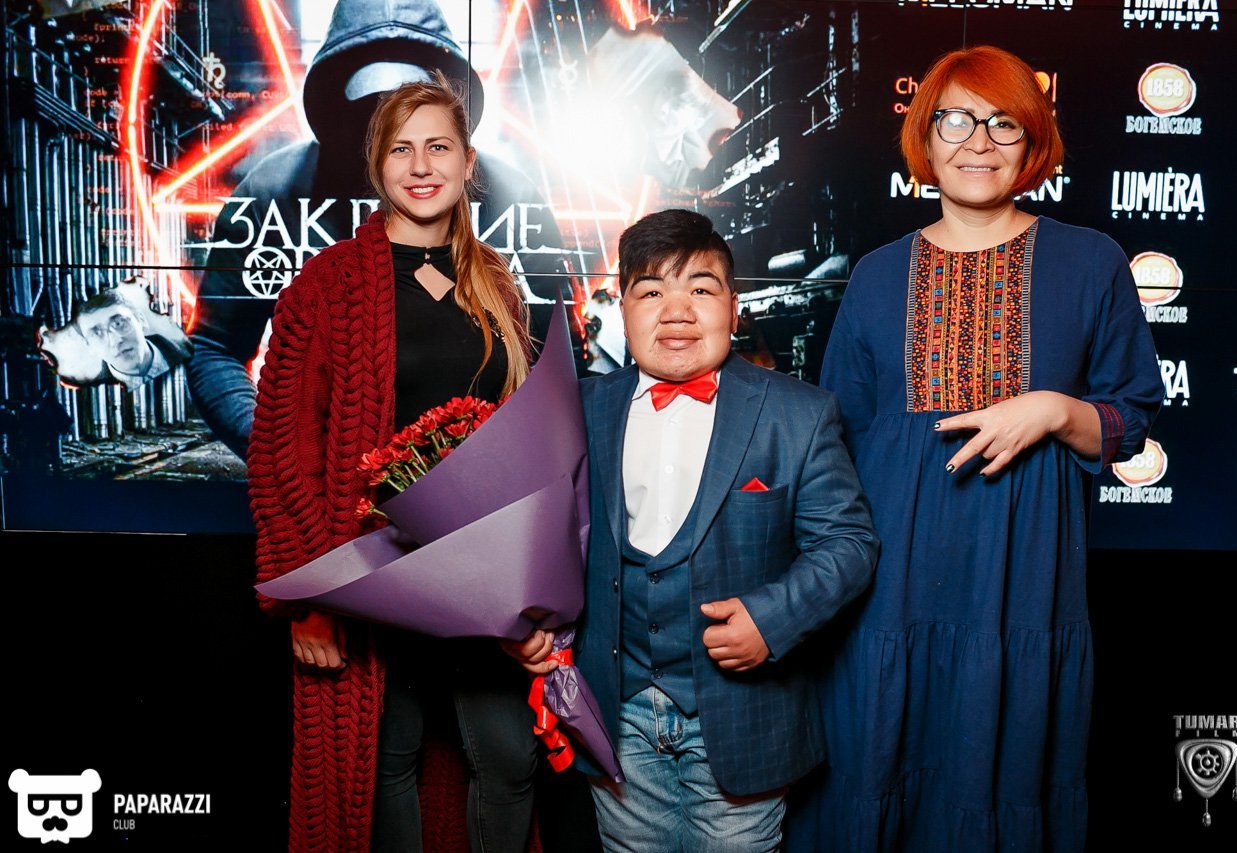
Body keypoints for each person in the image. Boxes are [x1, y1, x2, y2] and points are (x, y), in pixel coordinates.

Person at [788, 46, 1164, 851]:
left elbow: (1129, 419)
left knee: (1003, 769)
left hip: (1022, 582)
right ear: (926, 137)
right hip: (888, 589)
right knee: (880, 768)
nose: (979, 142)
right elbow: (834, 445)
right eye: (956, 120)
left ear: (1034, 142)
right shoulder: (877, 275)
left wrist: (1054, 410)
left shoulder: (1091, 261)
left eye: (1003, 124)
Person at [506, 209, 880, 851]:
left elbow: (848, 544)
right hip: (617, 710)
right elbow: (537, 541)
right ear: (622, 310)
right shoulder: (576, 410)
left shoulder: (799, 413)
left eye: (700, 289)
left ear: (734, 309)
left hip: (743, 718)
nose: (676, 311)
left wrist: (771, 620)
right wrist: (525, 624)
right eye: (651, 291)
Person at [249, 76, 544, 852]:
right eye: (401, 149)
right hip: (372, 573)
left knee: (510, 757)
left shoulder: (492, 283)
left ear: (467, 162)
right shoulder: (329, 286)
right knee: (387, 758)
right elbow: (282, 450)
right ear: (376, 165)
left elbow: (525, 438)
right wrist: (309, 596)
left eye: (438, 146)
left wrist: (535, 581)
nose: (420, 165)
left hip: (480, 571)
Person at [191, 0, 573, 461]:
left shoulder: (510, 197)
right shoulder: (274, 192)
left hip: (478, 484)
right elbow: (215, 348)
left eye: (422, 126)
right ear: (341, 112)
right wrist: (288, 455)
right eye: (380, 123)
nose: (411, 160)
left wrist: (498, 463)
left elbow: (559, 359)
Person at [74, 288, 191, 390]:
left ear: (141, 320)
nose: (116, 341)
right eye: (97, 333)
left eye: (119, 323)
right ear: (89, 345)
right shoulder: (90, 394)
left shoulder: (190, 355)